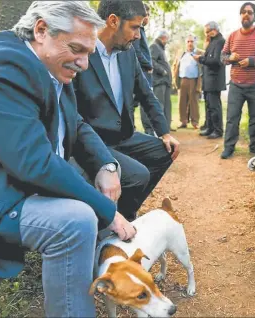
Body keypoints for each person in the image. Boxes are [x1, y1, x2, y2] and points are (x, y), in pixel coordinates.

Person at [0, 2, 137, 316]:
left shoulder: (41, 64)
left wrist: (106, 165)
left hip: (9, 187)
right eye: (77, 49)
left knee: (97, 196)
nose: (85, 64)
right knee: (75, 220)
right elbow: (33, 163)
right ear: (41, 30)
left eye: (89, 52)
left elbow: (74, 123)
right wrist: (108, 212)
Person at [73, 0, 180, 222]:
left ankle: (124, 212)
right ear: (113, 21)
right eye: (135, 27)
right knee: (139, 175)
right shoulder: (81, 52)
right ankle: (110, 218)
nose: (138, 35)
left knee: (165, 151)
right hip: (91, 140)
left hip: (123, 136)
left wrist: (164, 132)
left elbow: (146, 94)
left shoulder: (127, 53)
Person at [220, 2, 255, 159]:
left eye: (250, 12)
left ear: (254, 16)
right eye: (243, 12)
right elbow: (222, 57)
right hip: (236, 85)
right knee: (232, 118)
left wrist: (253, 61)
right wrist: (230, 58)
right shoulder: (232, 36)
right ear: (240, 15)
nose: (246, 14)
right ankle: (229, 147)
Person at [194, 21, 226, 139]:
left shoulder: (220, 42)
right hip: (208, 80)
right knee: (208, 105)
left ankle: (218, 130)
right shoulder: (212, 42)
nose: (206, 34)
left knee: (214, 106)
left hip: (214, 80)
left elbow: (217, 61)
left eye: (207, 32)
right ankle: (210, 128)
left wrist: (201, 59)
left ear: (214, 30)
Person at [132, 3, 156, 136]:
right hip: (140, 72)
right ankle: (145, 131)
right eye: (148, 15)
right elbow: (136, 51)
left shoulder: (142, 30)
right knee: (141, 101)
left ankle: (148, 131)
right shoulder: (137, 30)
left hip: (143, 72)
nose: (148, 18)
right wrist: (148, 65)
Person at [173, 34, 202, 129]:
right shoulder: (181, 53)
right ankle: (183, 121)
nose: (190, 43)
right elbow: (175, 65)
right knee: (182, 101)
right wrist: (174, 78)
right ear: (186, 43)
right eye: (188, 41)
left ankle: (195, 122)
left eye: (192, 41)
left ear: (194, 42)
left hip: (194, 80)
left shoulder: (200, 52)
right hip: (182, 80)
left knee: (194, 102)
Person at [150, 29, 174, 131]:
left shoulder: (161, 48)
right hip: (159, 81)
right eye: (167, 39)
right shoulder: (154, 46)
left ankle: (166, 128)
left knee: (167, 106)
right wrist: (163, 71)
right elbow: (151, 60)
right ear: (163, 38)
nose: (167, 41)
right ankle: (160, 129)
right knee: (160, 106)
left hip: (165, 82)